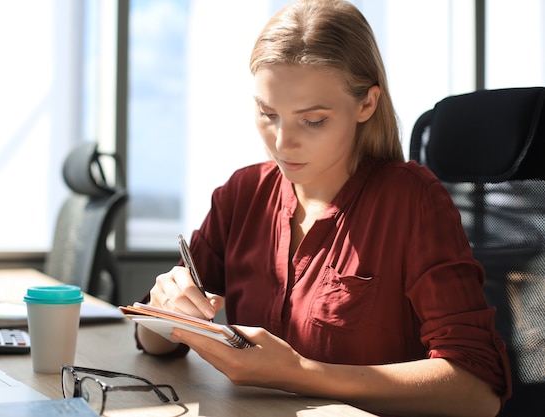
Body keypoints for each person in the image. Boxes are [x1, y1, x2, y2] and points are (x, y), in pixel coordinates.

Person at [135, 1, 512, 416]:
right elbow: (156, 344)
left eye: (312, 120)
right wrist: (162, 311)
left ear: (366, 105)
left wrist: (297, 372)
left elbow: (476, 392)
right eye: (267, 114)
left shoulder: (413, 202)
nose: (281, 142)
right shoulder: (242, 193)